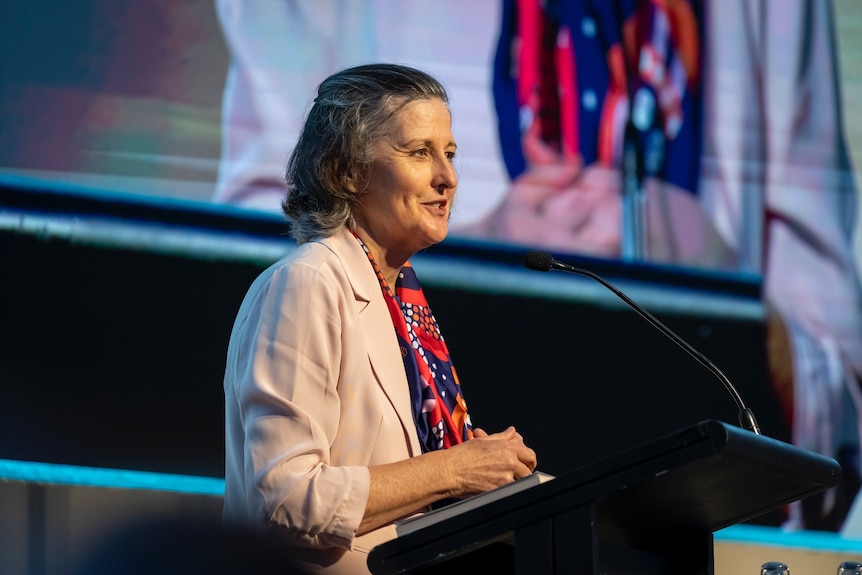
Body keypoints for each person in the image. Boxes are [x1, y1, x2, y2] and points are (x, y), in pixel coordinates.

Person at [221, 63, 538, 574]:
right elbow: (282, 500)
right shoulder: (309, 281)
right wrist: (455, 469)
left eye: (450, 154)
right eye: (419, 152)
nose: (448, 177)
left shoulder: (406, 303)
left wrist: (493, 479)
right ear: (347, 172)